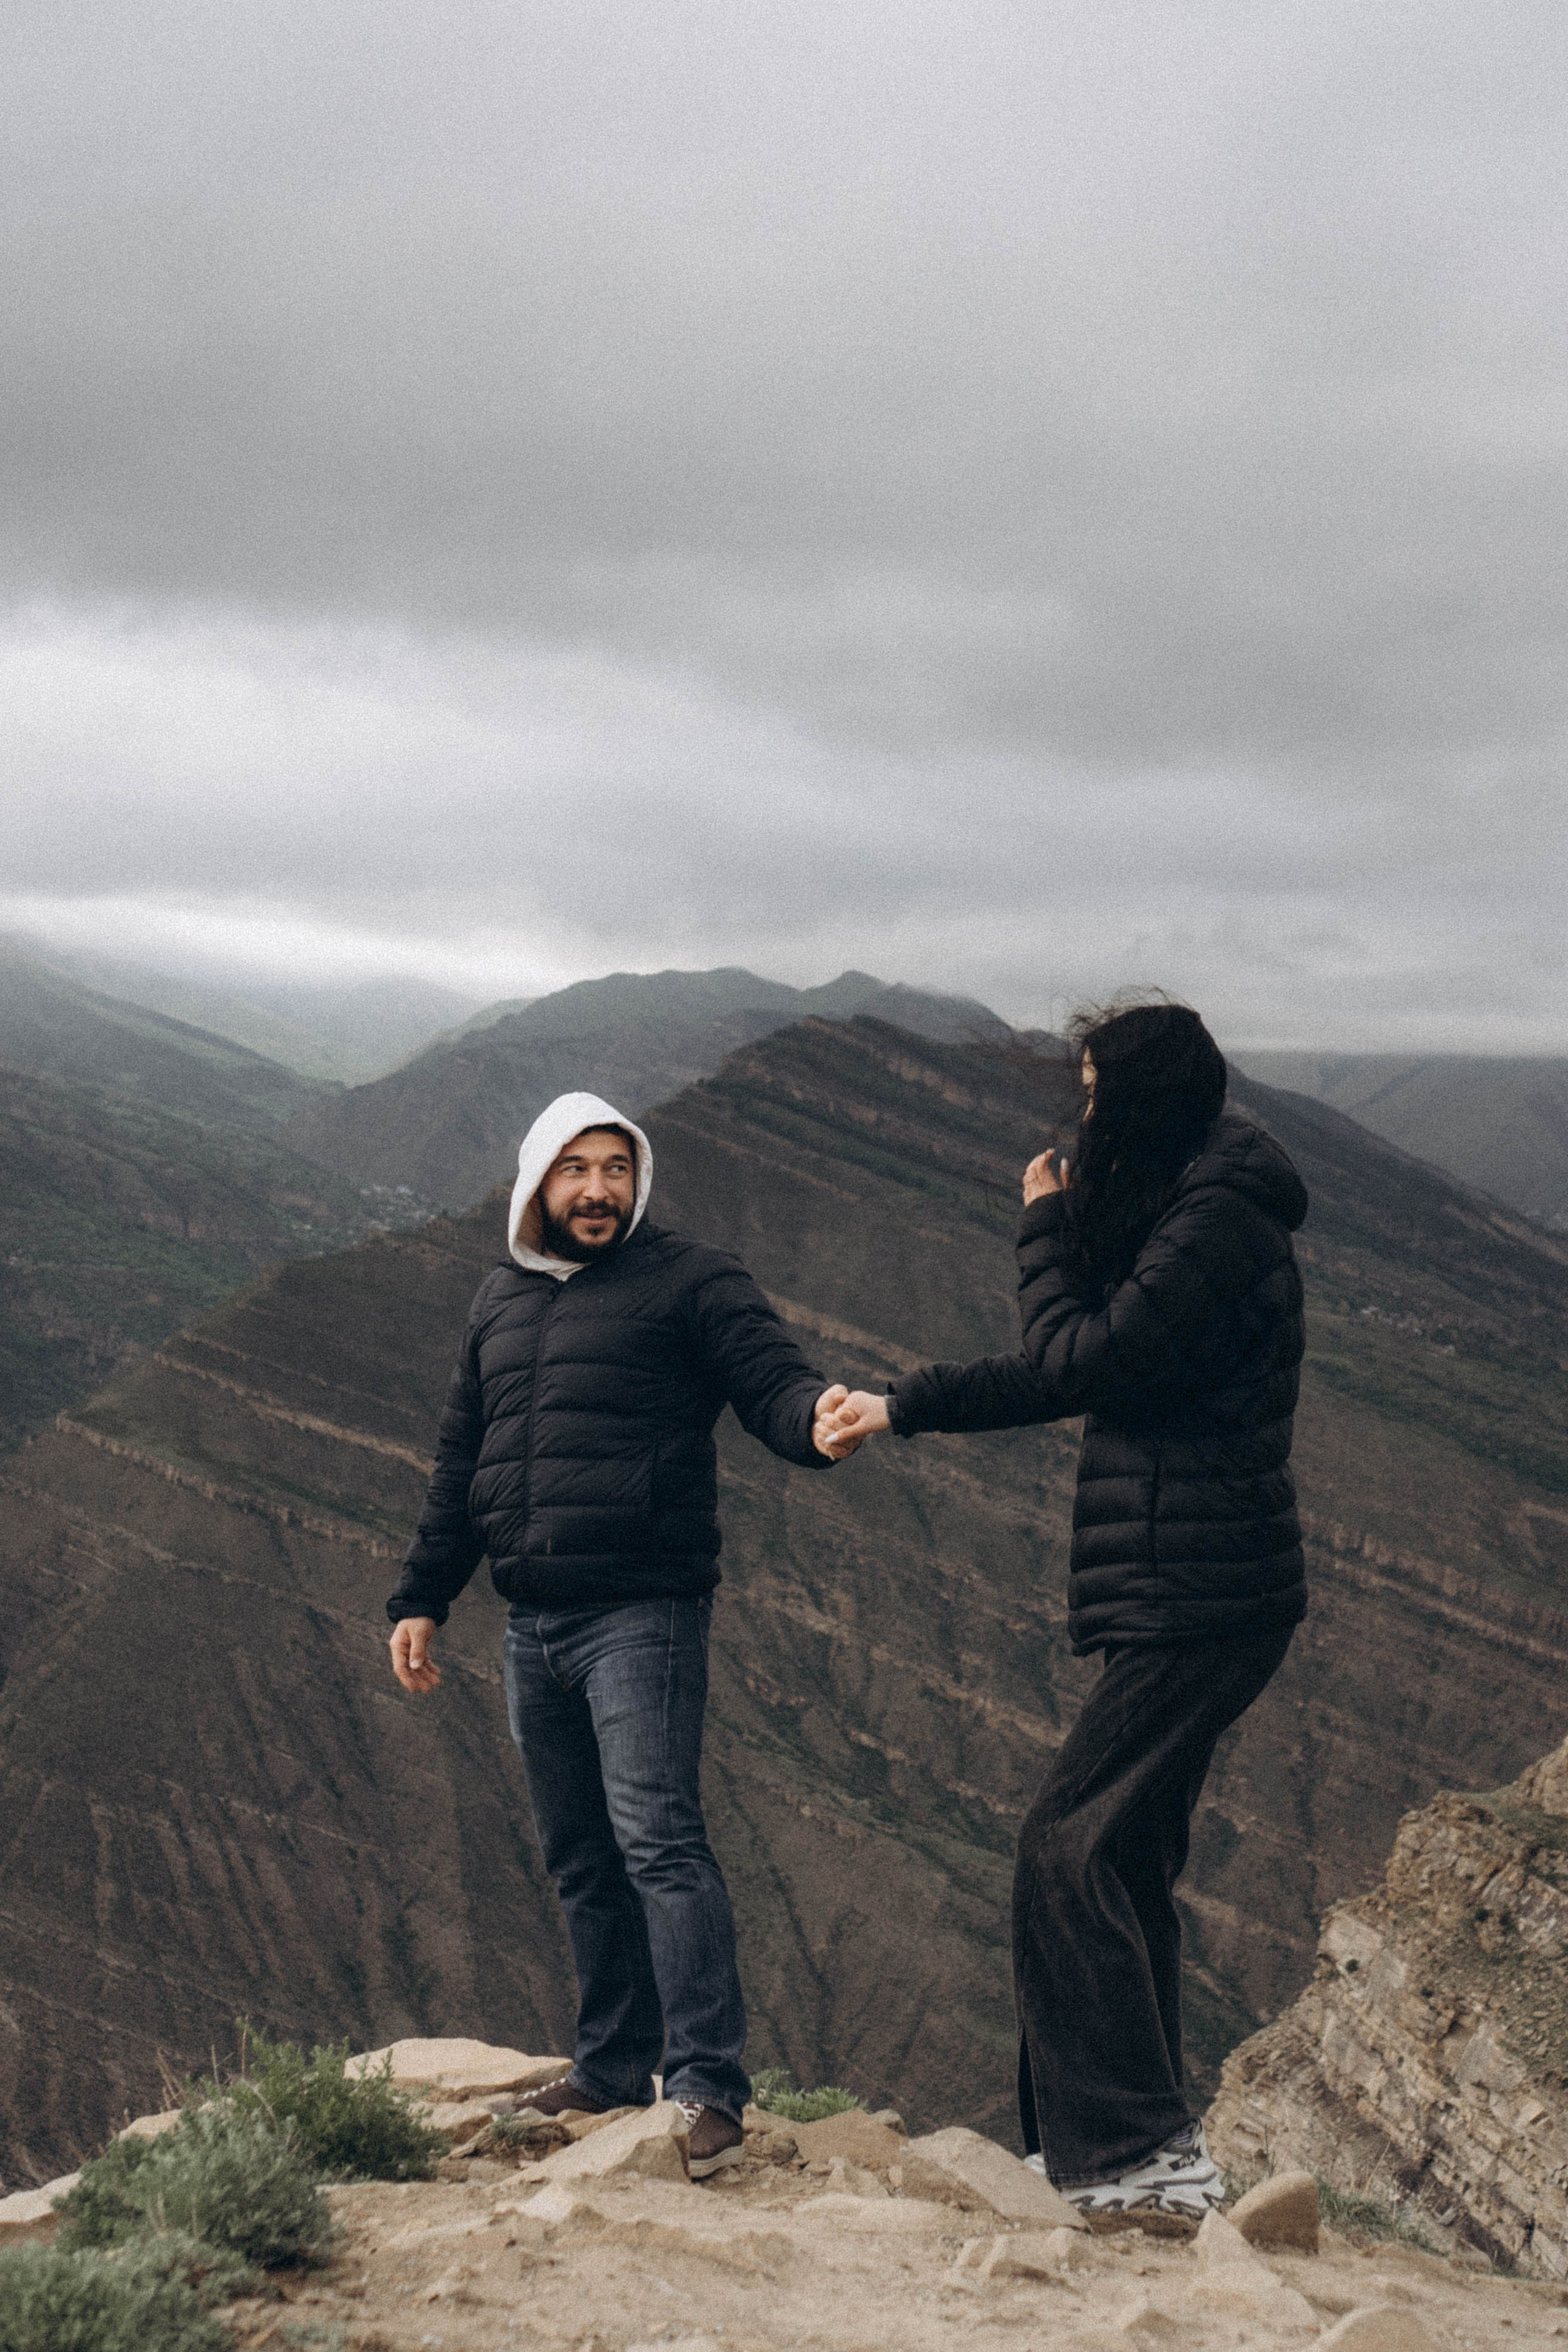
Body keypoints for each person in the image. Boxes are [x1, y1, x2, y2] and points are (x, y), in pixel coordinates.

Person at [816, 1001, 1308, 2218]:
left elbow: (1074, 1363)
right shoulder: (1200, 1207)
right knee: (1122, 1856)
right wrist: (1060, 1222)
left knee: (1065, 1847)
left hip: (1205, 1588)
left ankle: (1138, 2156)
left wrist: (1026, 1247)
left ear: (1136, 1099)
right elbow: (1106, 1327)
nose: (1081, 1114)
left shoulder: (1217, 1225)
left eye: (1094, 1093)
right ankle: (1110, 2150)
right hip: (1193, 1582)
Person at [388, 1091, 847, 2177]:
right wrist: (421, 1594)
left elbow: (771, 1383)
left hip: (643, 1613)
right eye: (575, 1170)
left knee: (660, 1843)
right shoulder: (499, 1301)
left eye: (615, 1169)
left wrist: (817, 1425)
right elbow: (465, 1464)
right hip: (530, 1620)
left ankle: (706, 2088)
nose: (598, 1190)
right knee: (581, 1855)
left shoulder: (692, 1279)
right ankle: (608, 2067)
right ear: (537, 1182)